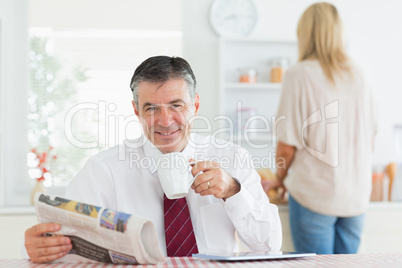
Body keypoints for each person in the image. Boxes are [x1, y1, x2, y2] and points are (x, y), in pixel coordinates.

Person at [23, 56, 282, 263]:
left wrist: (233, 191)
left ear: (196, 105)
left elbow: (270, 245)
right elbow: (67, 245)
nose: (165, 121)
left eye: (176, 105)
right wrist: (42, 249)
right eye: (151, 108)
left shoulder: (232, 158)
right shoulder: (103, 170)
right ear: (136, 109)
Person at [272, 3, 377, 254]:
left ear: (305, 34)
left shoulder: (298, 75)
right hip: (355, 198)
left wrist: (279, 179)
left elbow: (287, 146)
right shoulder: (358, 75)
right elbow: (370, 138)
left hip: (314, 196)